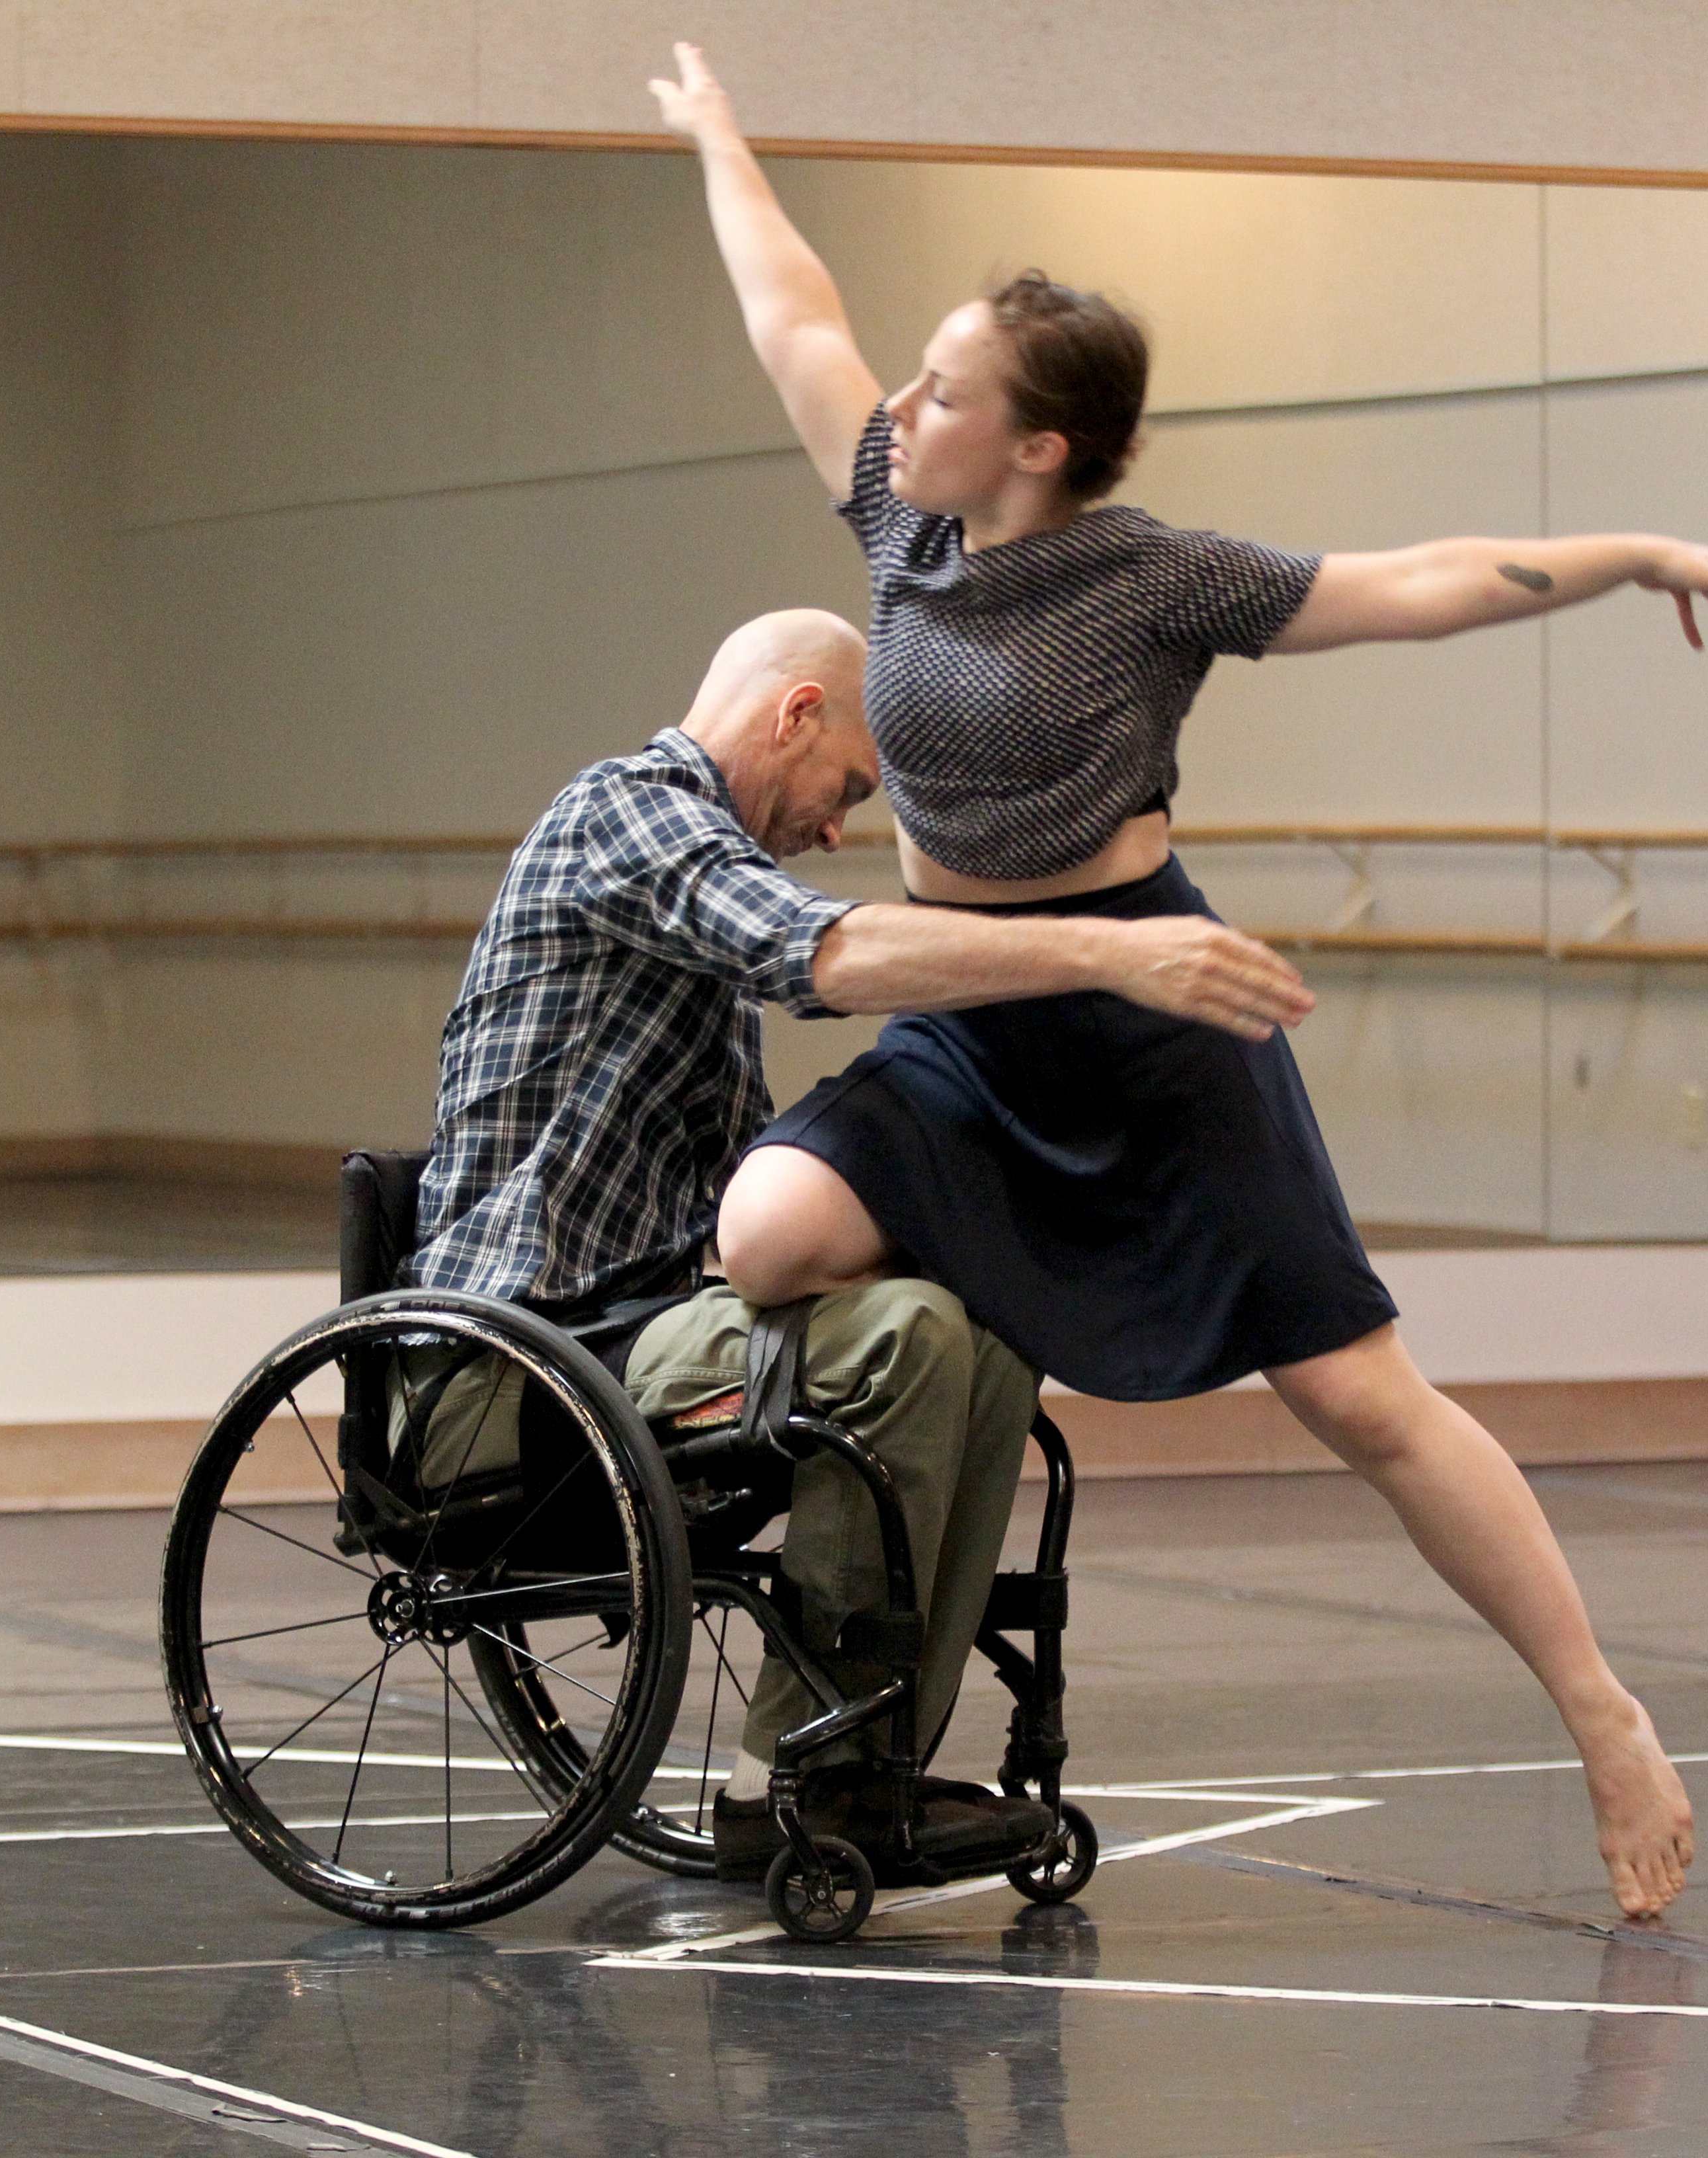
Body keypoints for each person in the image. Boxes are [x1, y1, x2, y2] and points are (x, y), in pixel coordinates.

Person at [650, 44, 1708, 1920]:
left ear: (1040, 446)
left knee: (1361, 1399)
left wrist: (1624, 555)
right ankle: (951, 1406)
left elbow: (1425, 580)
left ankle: (1603, 1717)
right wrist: (716, 137)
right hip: (962, 1029)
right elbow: (791, 307)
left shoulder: (1155, 581)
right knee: (766, 1238)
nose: (905, 403)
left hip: (1154, 1021)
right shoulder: (898, 513)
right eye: (919, 377)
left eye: (949, 390)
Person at [402, 606, 1313, 1883]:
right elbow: (827, 952)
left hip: (628, 1341)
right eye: (847, 790)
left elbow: (765, 1188)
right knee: (907, 1338)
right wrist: (1105, 950)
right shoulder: (627, 815)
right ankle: (800, 1779)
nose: (840, 829)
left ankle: (874, 1759)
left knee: (990, 1329)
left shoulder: (685, 891)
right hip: (514, 1369)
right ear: (796, 715)